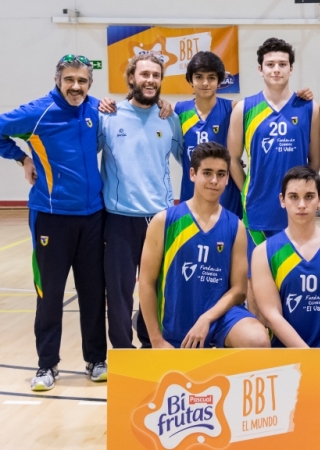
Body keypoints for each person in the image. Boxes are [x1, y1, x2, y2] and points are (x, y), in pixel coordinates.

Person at [0, 54, 108, 390]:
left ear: (90, 83)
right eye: (69, 80)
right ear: (57, 81)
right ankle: (47, 366)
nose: (75, 86)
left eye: (82, 80)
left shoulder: (96, 109)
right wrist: (21, 158)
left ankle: (96, 360)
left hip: (93, 216)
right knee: (49, 294)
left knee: (93, 292)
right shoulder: (38, 112)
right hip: (51, 217)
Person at [138, 142, 270, 349]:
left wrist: (207, 318)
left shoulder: (235, 226)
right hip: (176, 320)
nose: (214, 180)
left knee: (257, 340)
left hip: (219, 317)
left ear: (227, 178)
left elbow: (239, 290)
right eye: (207, 173)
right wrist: (156, 340)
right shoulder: (164, 221)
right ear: (193, 174)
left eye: (221, 174)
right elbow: (146, 282)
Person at [98, 53, 183, 348]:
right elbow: (83, 151)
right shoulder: (108, 116)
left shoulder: (169, 118)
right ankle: (123, 350)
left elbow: (190, 161)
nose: (150, 80)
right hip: (120, 219)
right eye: (145, 74)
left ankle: (151, 345)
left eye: (156, 75)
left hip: (160, 219)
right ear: (131, 77)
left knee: (158, 289)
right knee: (119, 292)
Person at [228, 38, 320, 267]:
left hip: (296, 208)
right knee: (256, 273)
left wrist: (304, 190)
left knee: (293, 272)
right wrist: (246, 188)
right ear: (260, 69)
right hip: (257, 207)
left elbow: (315, 158)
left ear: (291, 68)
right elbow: (232, 159)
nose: (276, 69)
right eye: (270, 64)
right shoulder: (244, 108)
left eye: (282, 64)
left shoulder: (309, 107)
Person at [251, 166, 320, 348]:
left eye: (309, 196)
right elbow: (272, 315)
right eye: (294, 197)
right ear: (282, 200)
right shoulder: (263, 252)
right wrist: (306, 355)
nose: (301, 205)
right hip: (285, 348)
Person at [175, 51, 242, 217]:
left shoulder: (233, 109)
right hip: (191, 195)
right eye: (199, 77)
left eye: (211, 77)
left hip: (227, 198)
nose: (205, 83)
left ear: (219, 81)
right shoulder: (179, 110)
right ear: (190, 79)